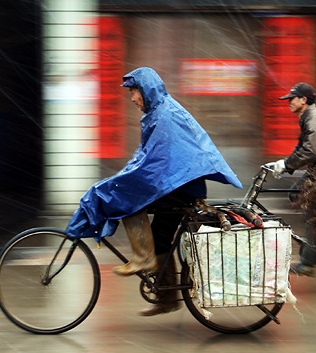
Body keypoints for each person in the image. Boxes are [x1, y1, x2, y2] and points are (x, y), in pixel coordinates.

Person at [66, 67, 242, 315]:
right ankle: (168, 297)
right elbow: (145, 159)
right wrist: (121, 178)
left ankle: (143, 258)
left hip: (180, 187)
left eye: (134, 91)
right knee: (160, 237)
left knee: (126, 202)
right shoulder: (158, 112)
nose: (132, 98)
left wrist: (121, 185)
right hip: (179, 185)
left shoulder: (164, 116)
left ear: (146, 90)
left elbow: (155, 163)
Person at [267, 82, 316, 277]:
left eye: (291, 99)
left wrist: (287, 165)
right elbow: (302, 147)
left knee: (315, 215)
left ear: (303, 100)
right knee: (295, 193)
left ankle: (309, 262)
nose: (288, 102)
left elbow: (314, 150)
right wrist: (284, 163)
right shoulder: (308, 117)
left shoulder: (314, 118)